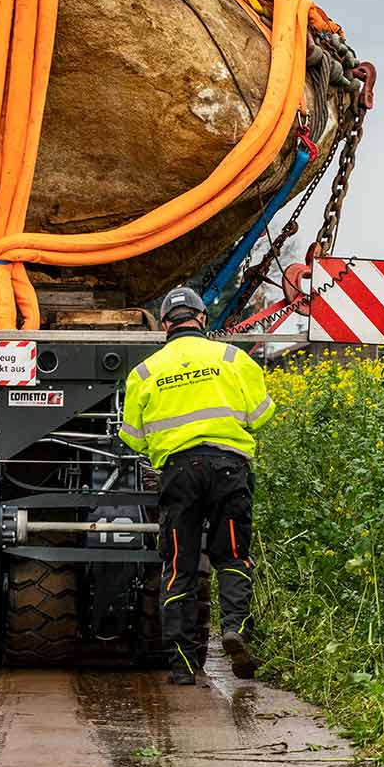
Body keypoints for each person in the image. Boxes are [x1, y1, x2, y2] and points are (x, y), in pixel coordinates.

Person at [119, 286, 275, 686]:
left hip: (179, 474)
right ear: (202, 319)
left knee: (179, 567)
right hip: (228, 469)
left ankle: (183, 667)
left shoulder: (145, 372)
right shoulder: (232, 358)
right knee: (233, 556)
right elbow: (260, 416)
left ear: (165, 326)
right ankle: (235, 630)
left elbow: (133, 437)